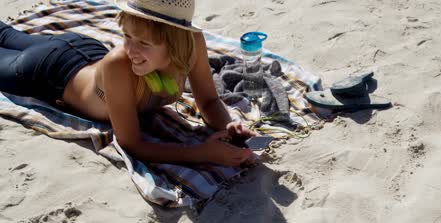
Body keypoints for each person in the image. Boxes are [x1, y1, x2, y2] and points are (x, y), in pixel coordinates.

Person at [0, 0, 255, 167]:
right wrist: (201, 154)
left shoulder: (192, 44)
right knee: (5, 35)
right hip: (47, 71)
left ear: (176, 42)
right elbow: (131, 143)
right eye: (126, 36)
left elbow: (209, 101)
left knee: (7, 35)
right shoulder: (118, 65)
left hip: (82, 50)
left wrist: (228, 125)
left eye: (143, 43)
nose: (131, 49)